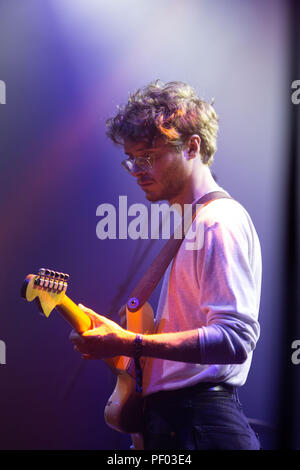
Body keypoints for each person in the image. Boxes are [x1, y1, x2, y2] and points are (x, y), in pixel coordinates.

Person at [70, 80, 262, 450]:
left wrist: (133, 341)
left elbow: (236, 340)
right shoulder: (192, 224)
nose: (137, 170)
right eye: (132, 160)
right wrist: (122, 339)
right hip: (179, 424)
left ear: (193, 146)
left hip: (200, 425)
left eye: (149, 156)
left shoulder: (217, 221)